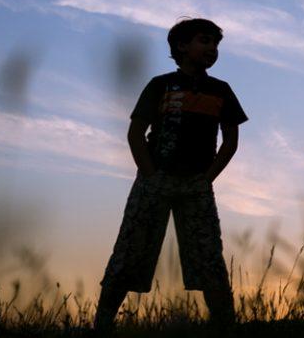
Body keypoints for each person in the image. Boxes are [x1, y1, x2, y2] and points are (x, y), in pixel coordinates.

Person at [94, 18, 248, 332]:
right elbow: (136, 133)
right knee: (131, 251)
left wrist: (207, 179)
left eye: (215, 44)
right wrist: (150, 175)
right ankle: (100, 325)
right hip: (156, 181)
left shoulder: (221, 90)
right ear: (181, 46)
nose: (212, 49)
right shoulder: (160, 84)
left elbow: (231, 140)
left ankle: (226, 326)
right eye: (204, 41)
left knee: (209, 258)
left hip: (196, 185)